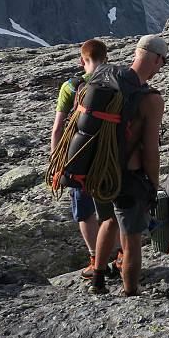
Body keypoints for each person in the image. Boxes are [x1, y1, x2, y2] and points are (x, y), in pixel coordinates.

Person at [89, 34, 168, 296]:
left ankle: (97, 279)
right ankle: (130, 293)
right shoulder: (151, 100)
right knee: (132, 237)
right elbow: (150, 152)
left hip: (97, 172)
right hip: (127, 177)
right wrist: (153, 186)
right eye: (162, 63)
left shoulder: (105, 80)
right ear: (157, 59)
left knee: (108, 221)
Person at [50, 38, 111, 279]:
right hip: (108, 157)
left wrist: (57, 165)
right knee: (110, 210)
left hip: (79, 156)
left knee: (84, 212)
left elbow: (57, 129)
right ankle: (117, 255)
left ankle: (96, 260)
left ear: (81, 60)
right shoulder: (115, 83)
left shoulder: (70, 87)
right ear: (106, 60)